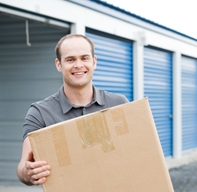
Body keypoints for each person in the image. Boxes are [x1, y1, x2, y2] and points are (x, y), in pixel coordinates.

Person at [16, 34, 129, 185]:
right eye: (70, 59)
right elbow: (23, 165)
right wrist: (28, 173)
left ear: (94, 62)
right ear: (58, 64)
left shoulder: (119, 104)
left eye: (84, 58)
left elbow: (134, 152)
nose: (78, 65)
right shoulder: (41, 112)